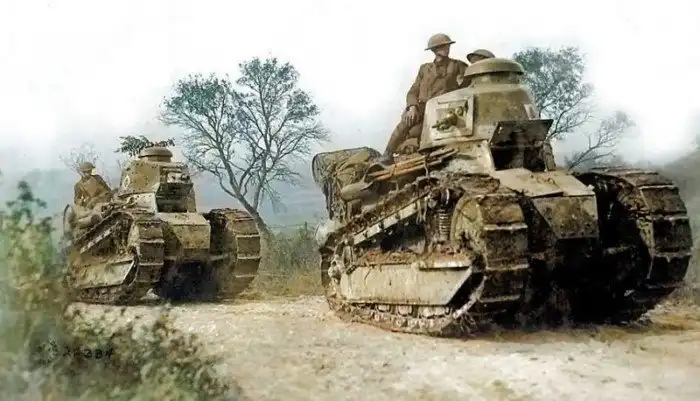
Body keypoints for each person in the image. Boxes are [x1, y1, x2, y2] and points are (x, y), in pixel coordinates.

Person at [380, 33, 469, 163]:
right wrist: (412, 106)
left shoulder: (457, 65)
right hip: (422, 107)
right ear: (434, 50)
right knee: (407, 122)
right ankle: (387, 154)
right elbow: (413, 90)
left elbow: (471, 80)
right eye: (442, 47)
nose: (446, 49)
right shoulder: (425, 69)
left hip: (443, 107)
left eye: (447, 46)